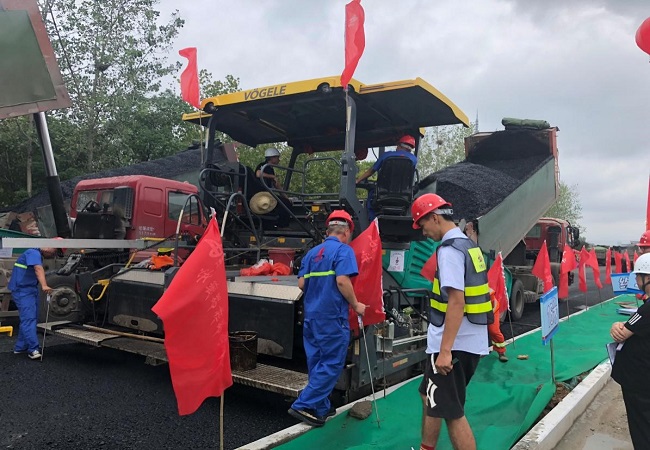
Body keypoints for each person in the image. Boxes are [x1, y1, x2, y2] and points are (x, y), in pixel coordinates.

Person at [411, 193, 492, 450]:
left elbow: (456, 301)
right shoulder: (469, 245)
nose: (423, 232)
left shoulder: (449, 251)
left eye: (423, 225)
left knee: (452, 412)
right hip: (468, 339)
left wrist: (445, 351)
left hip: (454, 344)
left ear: (435, 218)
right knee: (428, 395)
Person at [288, 210, 367, 427]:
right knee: (332, 363)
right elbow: (342, 281)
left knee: (317, 362)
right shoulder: (344, 251)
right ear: (347, 231)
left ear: (328, 231)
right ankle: (304, 404)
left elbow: (301, 284)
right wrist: (356, 305)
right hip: (332, 317)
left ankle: (320, 407)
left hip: (311, 317)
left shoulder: (312, 253)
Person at [610, 252, 650, 450]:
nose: (636, 280)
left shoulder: (647, 310)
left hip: (641, 383)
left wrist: (617, 326)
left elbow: (622, 334)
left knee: (642, 428)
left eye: (638, 276)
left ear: (647, 278)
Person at [8, 246, 57, 359]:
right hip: (23, 290)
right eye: (55, 251)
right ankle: (33, 349)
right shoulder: (33, 253)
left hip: (28, 289)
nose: (54, 255)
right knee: (29, 319)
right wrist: (44, 285)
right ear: (48, 247)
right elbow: (38, 268)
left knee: (29, 319)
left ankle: (21, 347)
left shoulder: (34, 253)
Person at [255, 147, 292, 227]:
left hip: (268, 194)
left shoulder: (270, 169)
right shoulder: (263, 166)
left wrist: (286, 197)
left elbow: (277, 186)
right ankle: (283, 226)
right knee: (284, 204)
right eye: (277, 157)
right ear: (272, 158)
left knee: (286, 202)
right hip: (262, 194)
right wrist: (272, 176)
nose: (279, 160)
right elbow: (258, 174)